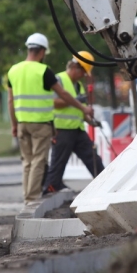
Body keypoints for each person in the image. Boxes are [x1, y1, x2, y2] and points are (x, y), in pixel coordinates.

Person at [7, 33, 93, 202]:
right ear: (42, 52)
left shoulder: (13, 70)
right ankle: (31, 198)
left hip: (22, 122)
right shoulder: (43, 71)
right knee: (39, 161)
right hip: (41, 124)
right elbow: (63, 94)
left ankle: (27, 195)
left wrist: (14, 124)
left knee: (27, 161)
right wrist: (82, 107)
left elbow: (10, 101)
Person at [43, 52, 105, 195]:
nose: (84, 75)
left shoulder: (79, 86)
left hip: (77, 129)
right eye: (83, 72)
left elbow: (79, 110)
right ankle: (51, 188)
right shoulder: (58, 80)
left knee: (93, 158)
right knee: (58, 164)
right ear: (76, 67)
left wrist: (90, 120)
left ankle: (105, 183)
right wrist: (75, 100)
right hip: (62, 130)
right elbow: (53, 103)